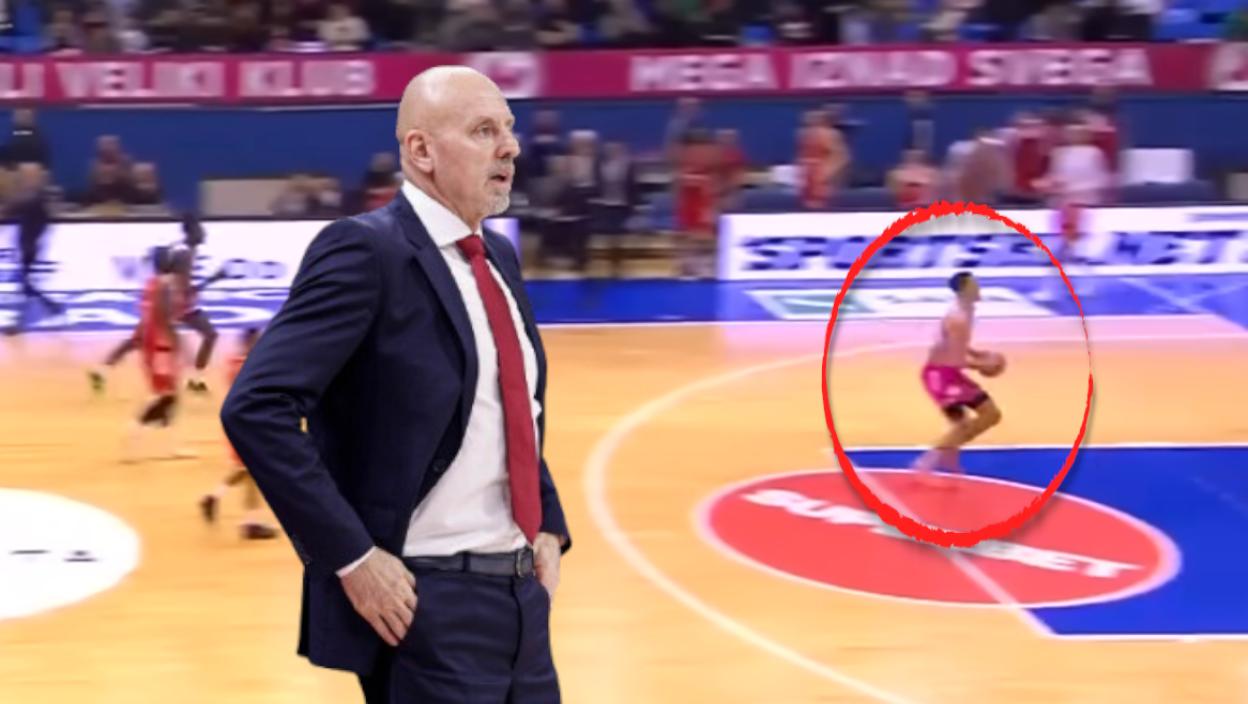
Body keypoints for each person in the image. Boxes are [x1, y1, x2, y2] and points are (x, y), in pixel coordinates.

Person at [220, 66, 571, 704]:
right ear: (421, 150)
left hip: (523, 601)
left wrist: (546, 519)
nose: (510, 148)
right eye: (484, 131)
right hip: (426, 608)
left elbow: (510, 407)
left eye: (509, 129)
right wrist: (353, 559)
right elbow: (256, 407)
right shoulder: (365, 253)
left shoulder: (498, 257)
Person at [90, 211, 224, 394]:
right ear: (191, 231)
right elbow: (186, 288)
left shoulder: (182, 249)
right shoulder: (185, 254)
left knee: (138, 340)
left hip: (175, 300)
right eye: (200, 229)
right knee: (206, 335)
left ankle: (102, 370)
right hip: (173, 302)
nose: (204, 233)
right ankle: (194, 378)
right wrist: (215, 279)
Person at [913, 271, 1003, 485]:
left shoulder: (966, 311)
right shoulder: (958, 318)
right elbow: (956, 359)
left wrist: (977, 353)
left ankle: (947, 456)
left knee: (987, 416)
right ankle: (925, 464)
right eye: (973, 285)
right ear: (964, 291)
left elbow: (954, 345)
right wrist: (985, 365)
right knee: (971, 422)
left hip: (949, 372)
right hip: (939, 375)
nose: (978, 287)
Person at [199, 327, 279, 540]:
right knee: (253, 470)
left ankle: (224, 503)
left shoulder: (233, 362)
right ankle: (248, 521)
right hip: (250, 423)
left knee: (249, 471)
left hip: (237, 421)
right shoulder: (252, 367)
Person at [121, 246, 195, 463]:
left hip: (153, 344)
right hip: (161, 345)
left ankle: (172, 445)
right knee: (165, 395)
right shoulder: (165, 285)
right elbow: (164, 317)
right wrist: (179, 343)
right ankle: (135, 428)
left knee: (171, 395)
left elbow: (149, 317)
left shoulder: (151, 284)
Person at [5, 162, 64, 336]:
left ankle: (19, 322)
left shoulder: (36, 198)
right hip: (28, 244)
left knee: (25, 285)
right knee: (26, 285)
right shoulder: (37, 198)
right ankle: (52, 306)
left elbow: (13, 207)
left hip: (30, 247)